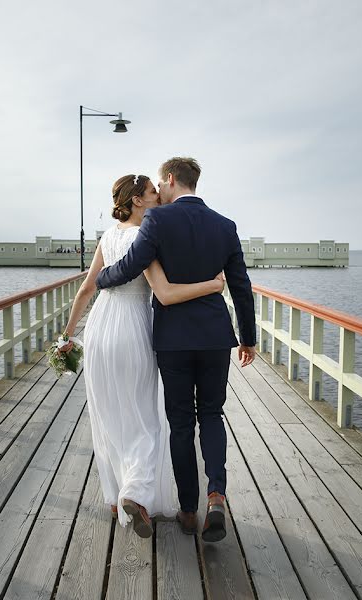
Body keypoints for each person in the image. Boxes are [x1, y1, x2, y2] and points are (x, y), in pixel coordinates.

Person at [97, 157, 256, 543]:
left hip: (173, 340)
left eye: (160, 184)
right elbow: (241, 286)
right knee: (213, 414)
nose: (159, 191)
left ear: (170, 179)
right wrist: (248, 338)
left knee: (181, 423)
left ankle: (188, 509)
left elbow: (133, 265)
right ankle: (216, 494)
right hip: (216, 336)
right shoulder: (225, 225)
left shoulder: (157, 221)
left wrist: (103, 278)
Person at [60, 173, 224, 538]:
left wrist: (67, 335)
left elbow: (87, 288)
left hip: (100, 328)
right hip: (132, 327)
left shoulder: (108, 236)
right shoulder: (145, 238)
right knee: (146, 418)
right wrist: (213, 285)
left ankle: (117, 495)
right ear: (137, 200)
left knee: (109, 414)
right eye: (153, 192)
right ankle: (136, 493)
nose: (159, 196)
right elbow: (164, 293)